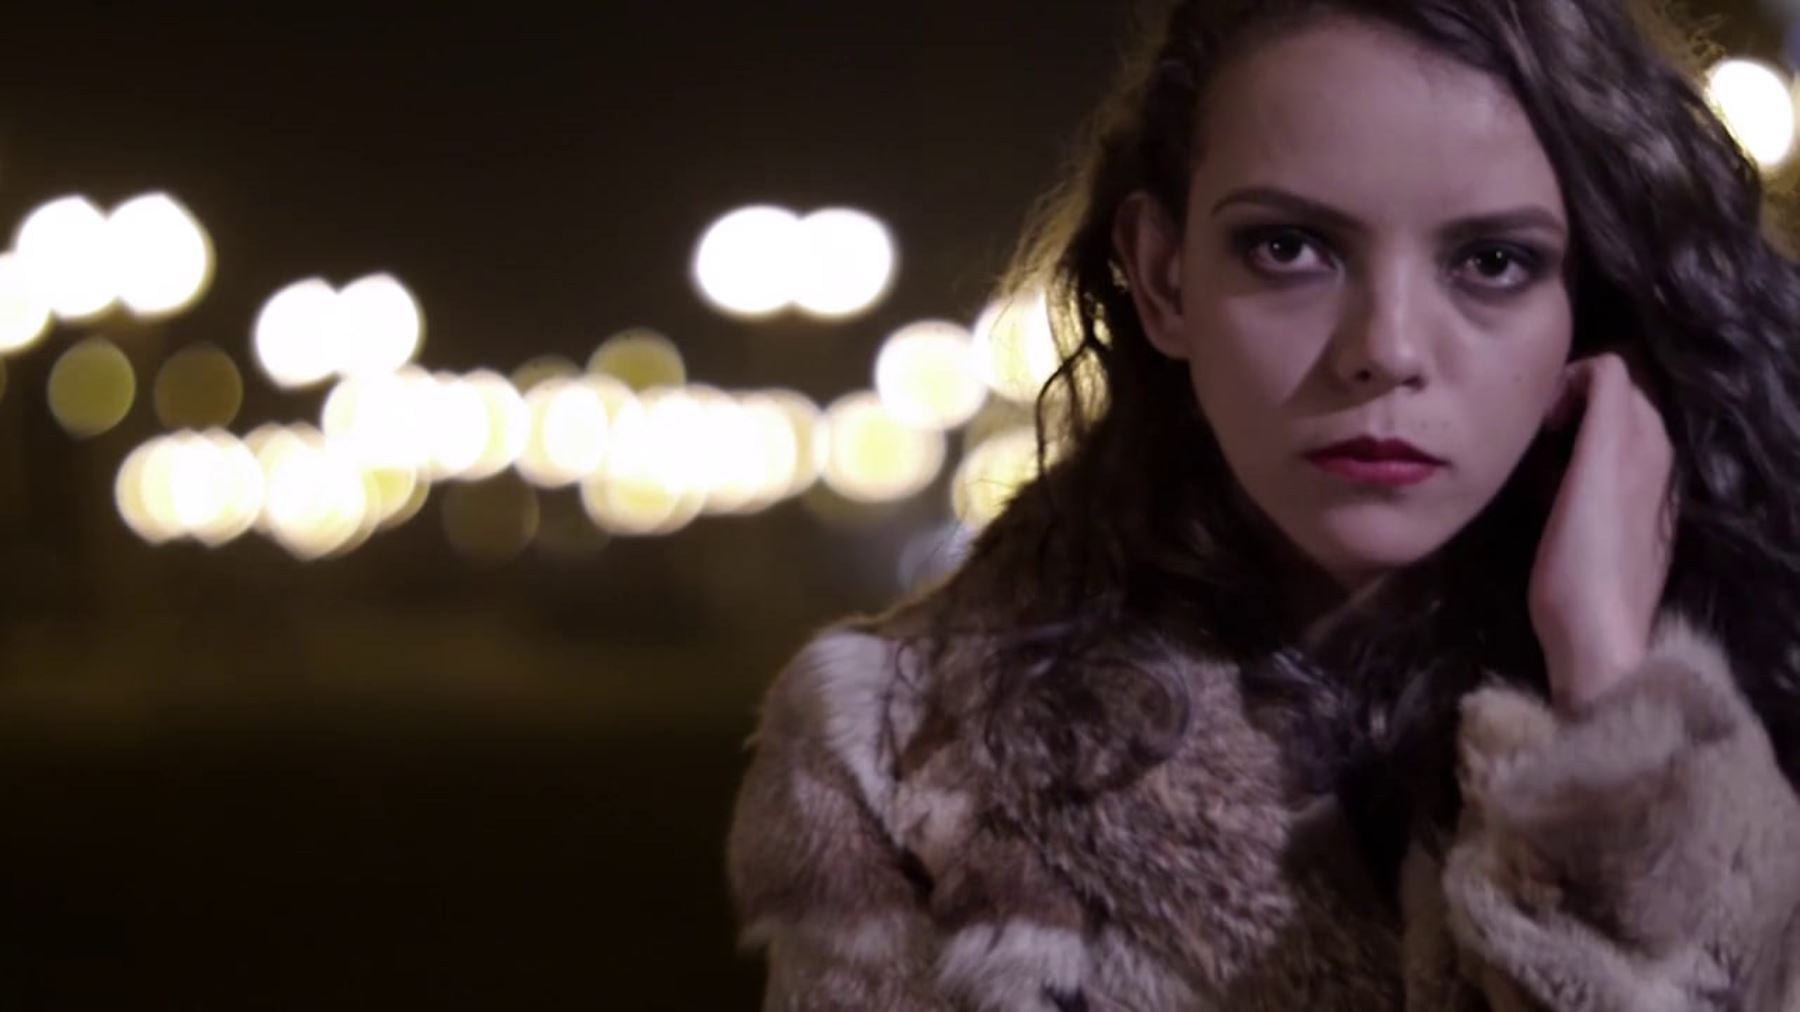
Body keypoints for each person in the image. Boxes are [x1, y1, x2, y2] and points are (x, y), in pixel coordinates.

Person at [728, 0, 1800, 1006]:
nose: (1385, 348)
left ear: (1589, 306)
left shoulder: (1768, 689)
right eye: (1290, 248)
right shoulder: (899, 752)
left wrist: (1609, 693)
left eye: (1492, 261)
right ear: (1164, 278)